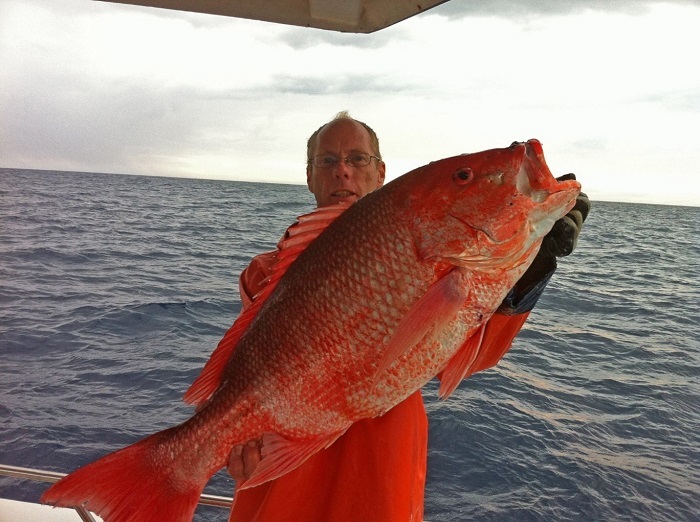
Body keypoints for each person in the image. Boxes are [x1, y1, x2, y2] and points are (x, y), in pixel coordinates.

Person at [225, 112, 590, 521]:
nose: (342, 171)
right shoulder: (265, 274)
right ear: (310, 177)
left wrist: (532, 269)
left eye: (357, 159)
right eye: (327, 161)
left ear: (380, 173)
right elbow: (255, 377)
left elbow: (469, 354)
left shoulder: (437, 256)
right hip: (279, 491)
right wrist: (233, 440)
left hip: (381, 488)